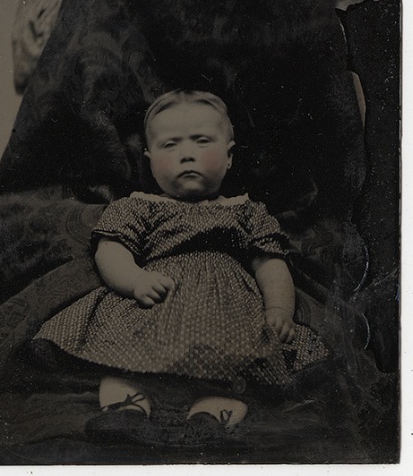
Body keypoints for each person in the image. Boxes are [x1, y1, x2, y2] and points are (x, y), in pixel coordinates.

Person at [34, 89, 328, 447]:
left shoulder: (247, 211)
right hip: (157, 302)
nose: (186, 154)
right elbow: (111, 249)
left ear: (229, 156)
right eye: (170, 145)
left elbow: (270, 262)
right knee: (122, 363)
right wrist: (134, 280)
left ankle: (208, 416)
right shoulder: (139, 206)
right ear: (150, 159)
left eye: (202, 141)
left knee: (239, 367)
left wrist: (278, 308)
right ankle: (127, 409)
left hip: (226, 313)